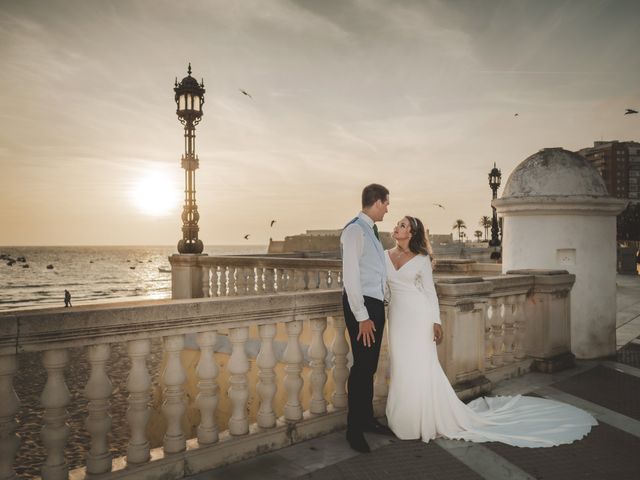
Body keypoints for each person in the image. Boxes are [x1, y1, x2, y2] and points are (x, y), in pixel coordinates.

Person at [384, 215, 598, 447]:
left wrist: (436, 321)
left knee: (420, 367)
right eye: (398, 224)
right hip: (396, 317)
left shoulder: (421, 259)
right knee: (400, 364)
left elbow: (429, 292)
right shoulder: (385, 256)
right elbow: (383, 287)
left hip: (419, 317)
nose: (397, 227)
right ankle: (400, 418)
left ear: (412, 233)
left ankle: (418, 420)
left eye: (402, 225)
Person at [341, 183, 394, 453]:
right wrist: (362, 316)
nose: (388, 208)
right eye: (386, 203)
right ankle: (353, 430)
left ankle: (366, 419)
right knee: (362, 367)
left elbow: (375, 272)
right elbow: (351, 277)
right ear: (377, 202)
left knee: (369, 365)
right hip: (361, 307)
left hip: (373, 305)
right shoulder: (354, 230)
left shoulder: (371, 231)